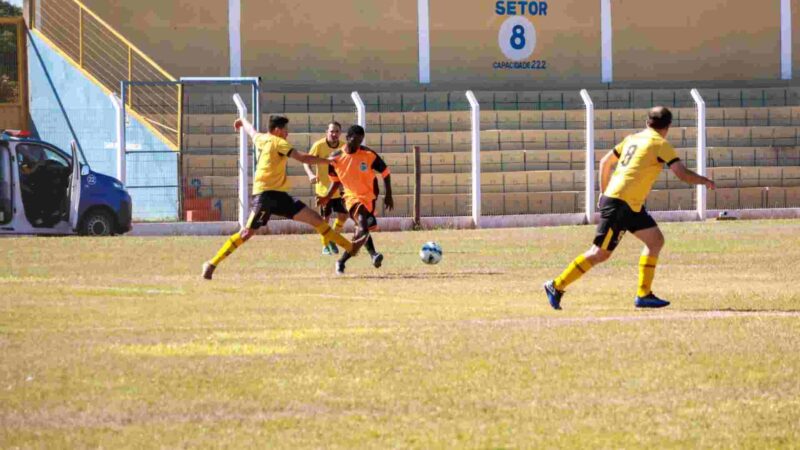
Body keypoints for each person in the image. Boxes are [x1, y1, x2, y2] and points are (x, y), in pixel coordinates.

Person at [544, 106, 716, 309]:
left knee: (655, 241)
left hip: (629, 204)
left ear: (647, 122)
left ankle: (644, 295)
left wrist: (602, 191)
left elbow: (606, 162)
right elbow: (681, 173)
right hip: (620, 203)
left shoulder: (632, 139)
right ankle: (556, 285)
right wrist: (704, 180)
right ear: (668, 126)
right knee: (599, 253)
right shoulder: (660, 143)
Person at [201, 115, 365, 280]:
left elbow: (252, 131)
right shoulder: (279, 142)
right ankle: (212, 264)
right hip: (265, 196)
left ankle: (350, 248)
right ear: (278, 130)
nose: (288, 133)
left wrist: (242, 121)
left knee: (316, 219)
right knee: (246, 233)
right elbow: (302, 158)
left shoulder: (262, 138)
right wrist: (328, 161)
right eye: (286, 129)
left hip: (280, 196)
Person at [318, 125, 393, 275]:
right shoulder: (336, 157)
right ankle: (373, 255)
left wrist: (389, 194)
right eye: (355, 141)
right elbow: (336, 181)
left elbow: (385, 172)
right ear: (347, 139)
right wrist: (327, 197)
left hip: (369, 197)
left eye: (360, 141)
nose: (358, 144)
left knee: (361, 232)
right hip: (351, 198)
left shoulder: (368, 154)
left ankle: (342, 261)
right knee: (363, 226)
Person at [303, 121, 349, 256]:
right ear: (326, 132)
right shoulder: (319, 146)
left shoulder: (344, 147)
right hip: (323, 190)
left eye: (337, 132)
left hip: (339, 189)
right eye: (331, 131)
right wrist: (311, 174)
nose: (334, 134)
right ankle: (325, 246)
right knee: (324, 219)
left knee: (343, 215)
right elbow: (306, 161)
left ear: (340, 133)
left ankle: (332, 239)